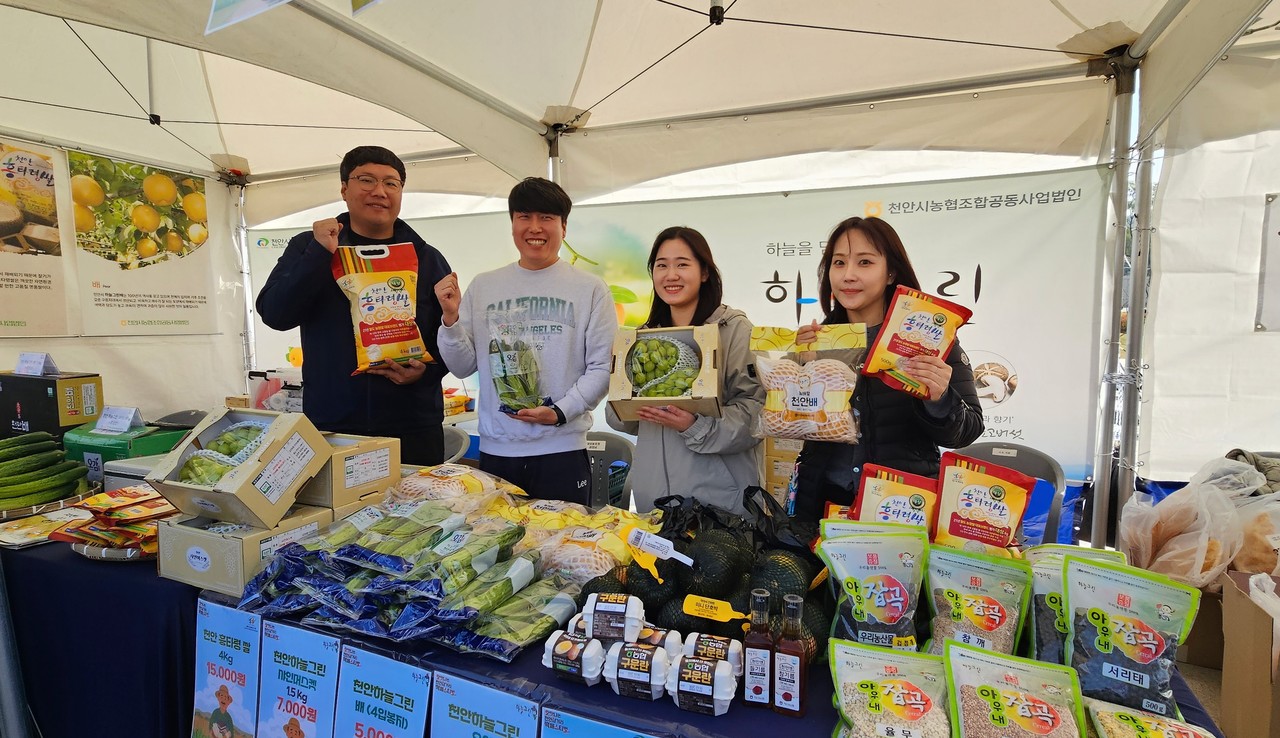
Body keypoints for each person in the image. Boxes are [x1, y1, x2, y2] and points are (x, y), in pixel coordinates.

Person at [256, 146, 452, 465]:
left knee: (417, 500)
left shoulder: (426, 257)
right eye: (366, 180)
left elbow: (452, 334)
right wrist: (319, 254)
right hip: (334, 428)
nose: (380, 191)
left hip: (413, 427)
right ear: (344, 189)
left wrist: (426, 372)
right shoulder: (310, 247)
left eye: (391, 183)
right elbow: (275, 314)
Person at [434, 177, 616, 503]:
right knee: (500, 535)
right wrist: (450, 319)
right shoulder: (485, 286)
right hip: (498, 451)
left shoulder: (589, 288)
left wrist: (560, 412)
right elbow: (462, 366)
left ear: (564, 227)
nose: (535, 227)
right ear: (512, 224)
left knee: (561, 534)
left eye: (546, 217)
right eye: (524, 217)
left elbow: (603, 367)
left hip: (562, 449)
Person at [792, 216, 984, 522]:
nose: (848, 275)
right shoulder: (817, 340)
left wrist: (940, 398)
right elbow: (793, 425)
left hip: (899, 510)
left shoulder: (927, 339)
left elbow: (968, 430)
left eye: (865, 262)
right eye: (839, 263)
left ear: (891, 272)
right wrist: (799, 374)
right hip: (821, 510)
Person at [606, 226, 763, 516]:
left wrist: (695, 426)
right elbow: (621, 420)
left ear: (704, 272)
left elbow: (757, 413)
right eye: (661, 266)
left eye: (682, 265)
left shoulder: (735, 330)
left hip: (718, 505)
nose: (671, 275)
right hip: (653, 503)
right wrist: (620, 388)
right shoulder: (642, 338)